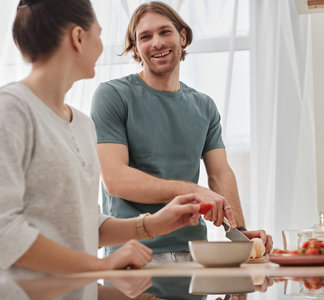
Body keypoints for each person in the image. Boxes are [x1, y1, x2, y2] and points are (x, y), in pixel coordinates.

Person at [0, 0, 204, 279]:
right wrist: (101, 267)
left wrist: (153, 224)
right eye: (99, 33)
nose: (101, 45)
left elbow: (86, 229)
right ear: (78, 37)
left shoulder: (82, 125)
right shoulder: (10, 110)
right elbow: (5, 232)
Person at [91, 1, 273, 262]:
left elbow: (220, 173)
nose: (156, 43)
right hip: (132, 255)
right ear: (135, 47)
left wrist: (240, 232)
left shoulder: (204, 105)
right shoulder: (113, 96)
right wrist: (194, 192)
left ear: (182, 36)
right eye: (145, 36)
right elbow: (116, 179)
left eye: (165, 32)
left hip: (194, 255)